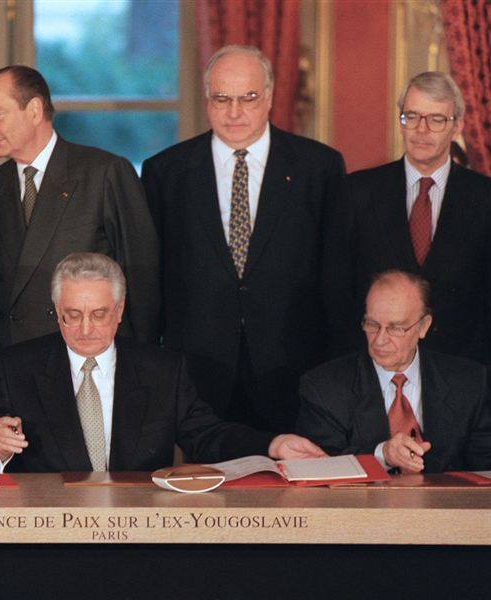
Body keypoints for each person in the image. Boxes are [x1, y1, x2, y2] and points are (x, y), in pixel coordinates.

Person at [0, 253, 324, 473]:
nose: (85, 329)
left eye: (99, 314)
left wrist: (273, 445)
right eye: (73, 315)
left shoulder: (162, 370)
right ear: (57, 311)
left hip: (139, 527)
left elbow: (207, 436)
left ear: (119, 311)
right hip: (50, 530)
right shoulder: (19, 366)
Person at [141, 45, 345, 433]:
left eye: (248, 98)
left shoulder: (318, 168)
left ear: (269, 96)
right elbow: (151, 279)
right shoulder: (166, 172)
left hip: (294, 367)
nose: (234, 112)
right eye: (222, 99)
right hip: (199, 372)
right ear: (207, 100)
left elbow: (336, 276)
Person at [0, 65, 159, 348]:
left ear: (34, 110)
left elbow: (142, 277)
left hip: (87, 354)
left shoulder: (104, 173)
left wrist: (143, 361)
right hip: (15, 362)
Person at [324, 71, 491, 362]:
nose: (421, 130)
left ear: (457, 126)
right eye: (412, 116)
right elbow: (336, 291)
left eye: (436, 119)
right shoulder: (357, 192)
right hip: (373, 367)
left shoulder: (484, 198)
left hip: (463, 370)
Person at [297, 270, 491, 473]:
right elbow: (319, 467)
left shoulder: (469, 381)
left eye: (395, 328)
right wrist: (383, 455)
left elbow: (485, 466)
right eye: (372, 324)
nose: (380, 340)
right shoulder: (323, 388)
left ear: (423, 326)